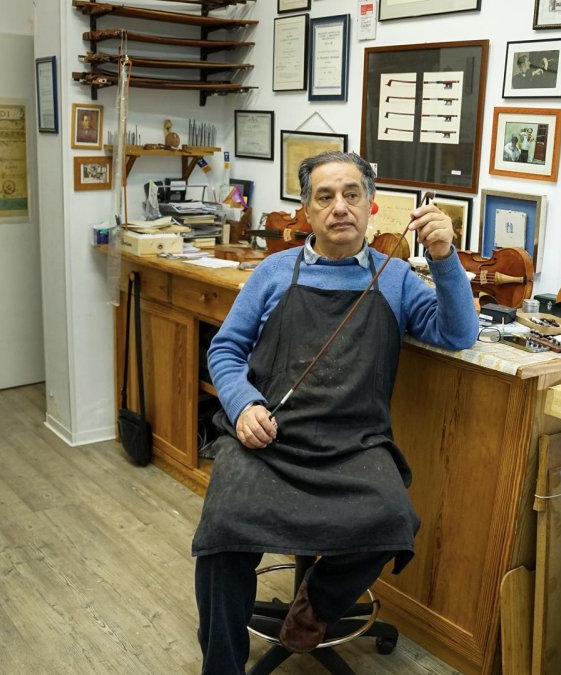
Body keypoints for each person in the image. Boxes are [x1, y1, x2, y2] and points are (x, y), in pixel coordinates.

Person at [192, 151, 478, 674]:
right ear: (306, 210)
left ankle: (317, 602)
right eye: (325, 197)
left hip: (355, 446)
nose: (339, 207)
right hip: (267, 441)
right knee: (222, 531)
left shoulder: (396, 279)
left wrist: (443, 257)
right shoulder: (274, 272)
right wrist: (242, 404)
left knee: (395, 517)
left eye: (351, 195)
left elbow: (458, 333)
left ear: (372, 207)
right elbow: (225, 351)